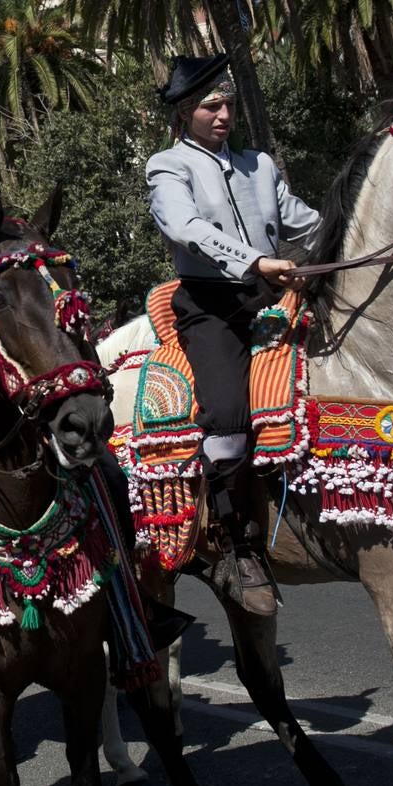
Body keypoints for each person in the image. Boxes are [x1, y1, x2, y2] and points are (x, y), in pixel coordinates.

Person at [147, 53, 322, 616]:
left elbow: (306, 223)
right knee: (225, 414)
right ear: (185, 113)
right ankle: (235, 541)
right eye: (211, 105)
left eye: (227, 104)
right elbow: (185, 227)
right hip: (211, 306)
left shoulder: (260, 164)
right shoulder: (167, 166)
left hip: (270, 297)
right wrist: (255, 263)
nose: (224, 114)